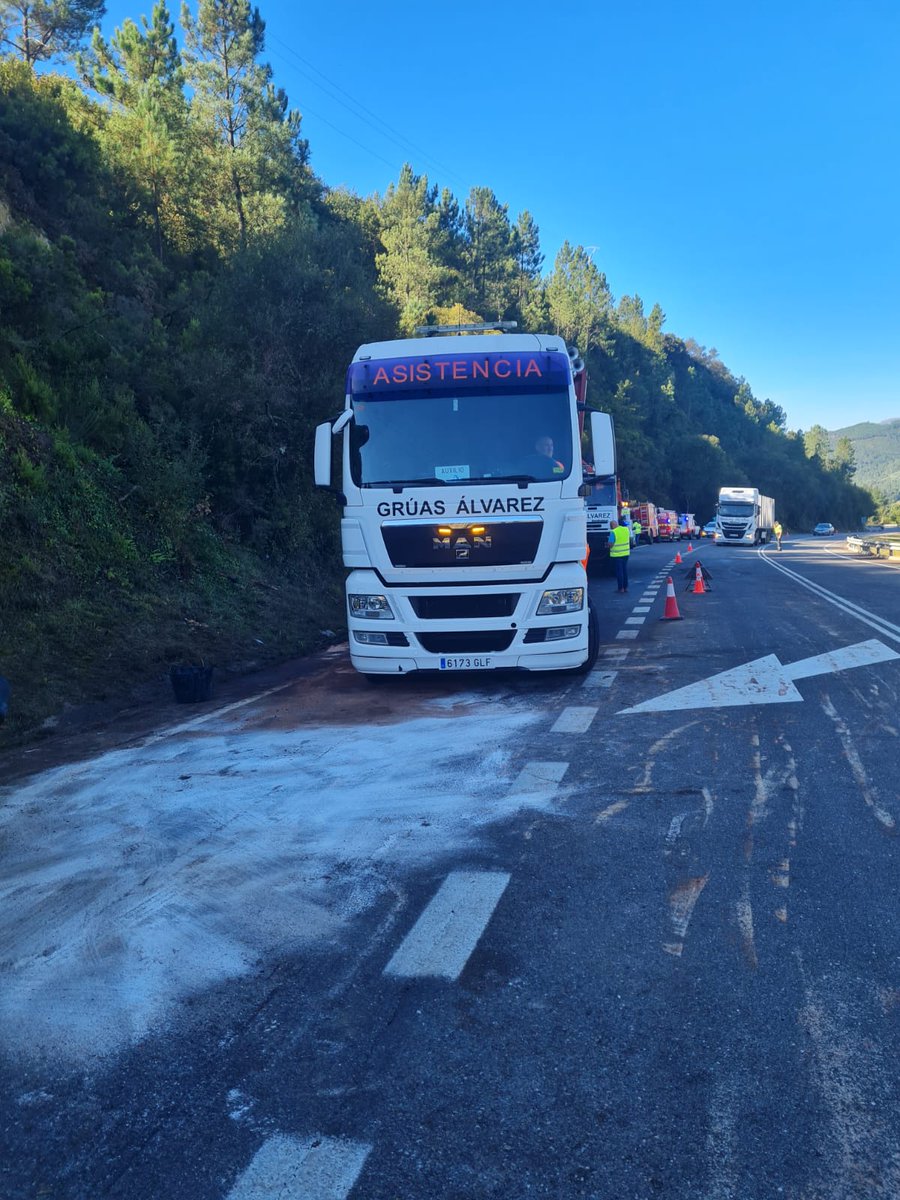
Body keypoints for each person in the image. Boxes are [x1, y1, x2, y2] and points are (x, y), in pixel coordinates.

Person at [608, 518, 630, 592]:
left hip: (617, 555)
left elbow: (611, 544)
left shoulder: (613, 532)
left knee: (619, 572)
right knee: (625, 570)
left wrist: (608, 545)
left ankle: (621, 588)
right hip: (626, 554)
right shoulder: (626, 529)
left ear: (612, 526)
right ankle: (625, 587)